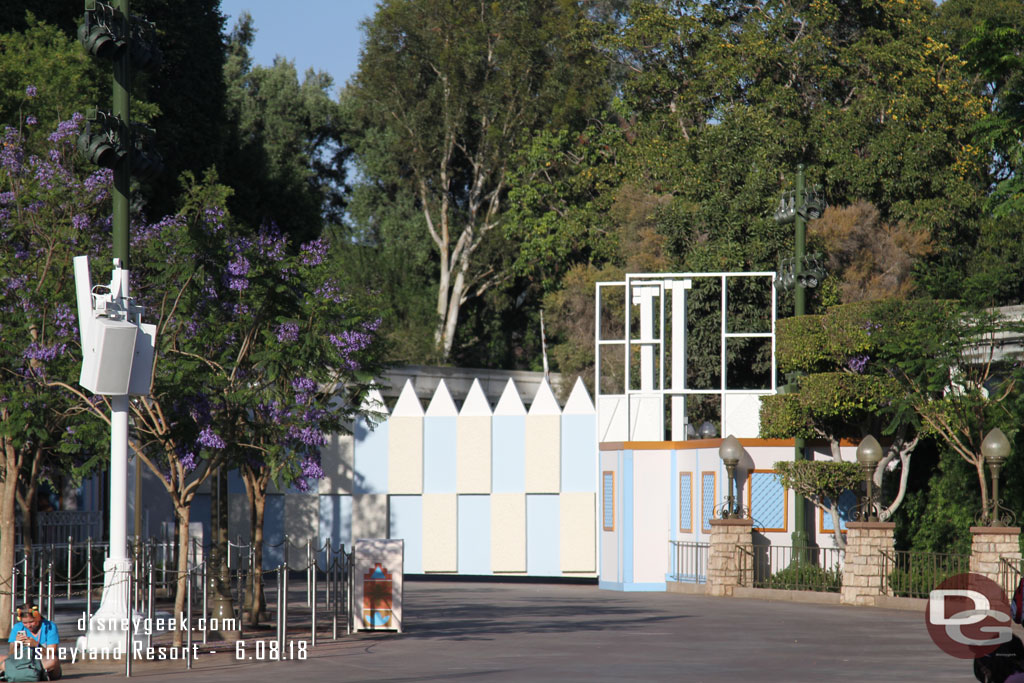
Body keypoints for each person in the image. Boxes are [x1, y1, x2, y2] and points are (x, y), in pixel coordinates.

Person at [0, 604, 61, 680]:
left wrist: (36, 645)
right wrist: (16, 644)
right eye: (25, 623)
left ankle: (15, 673)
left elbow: (51, 653)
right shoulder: (18, 627)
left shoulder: (50, 626)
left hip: (40, 662)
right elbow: (11, 654)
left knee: (53, 660)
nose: (28, 626)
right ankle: (26, 673)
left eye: (31, 622)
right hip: (22, 661)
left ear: (38, 617)